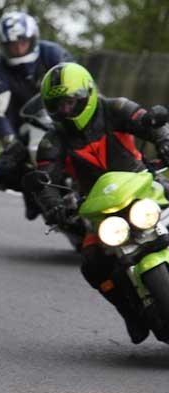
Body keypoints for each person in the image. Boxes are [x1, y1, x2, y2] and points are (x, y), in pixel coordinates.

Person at [25, 62, 169, 343]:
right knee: (92, 264)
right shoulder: (53, 140)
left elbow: (149, 123)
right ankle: (129, 312)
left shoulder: (116, 108)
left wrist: (164, 139)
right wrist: (53, 206)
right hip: (100, 208)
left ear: (86, 93)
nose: (65, 111)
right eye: (58, 106)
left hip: (143, 186)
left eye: (69, 102)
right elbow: (45, 178)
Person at [0, 11, 73, 219]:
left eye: (22, 42)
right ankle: (36, 195)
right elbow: (0, 113)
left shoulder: (53, 53)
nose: (17, 48)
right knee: (3, 172)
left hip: (65, 114)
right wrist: (10, 141)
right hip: (25, 125)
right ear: (2, 46)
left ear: (32, 38)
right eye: (11, 44)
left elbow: (79, 82)